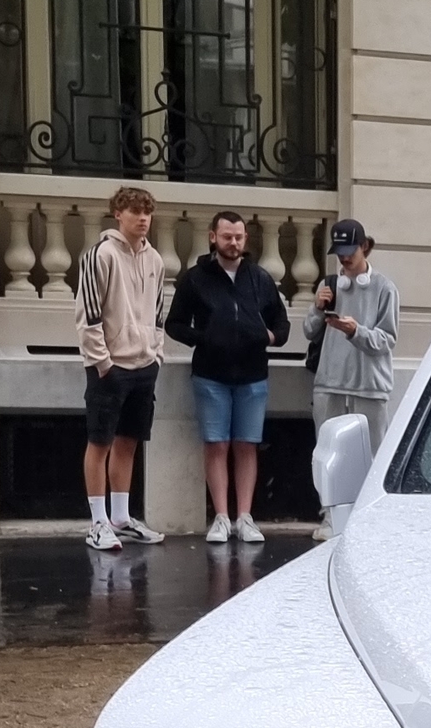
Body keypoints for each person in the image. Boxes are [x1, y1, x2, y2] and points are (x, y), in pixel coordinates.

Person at [163, 207, 290, 544]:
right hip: (210, 375)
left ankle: (245, 517)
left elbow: (282, 324)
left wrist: (269, 338)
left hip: (252, 375)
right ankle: (221, 516)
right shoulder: (194, 278)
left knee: (247, 445)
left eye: (238, 237)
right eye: (227, 237)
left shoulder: (260, 278)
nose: (233, 243)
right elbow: (173, 324)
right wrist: (204, 339)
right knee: (216, 444)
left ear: (245, 238)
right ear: (212, 237)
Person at [75, 184, 167, 550]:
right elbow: (88, 315)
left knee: (128, 442)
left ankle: (121, 518)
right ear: (118, 214)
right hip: (110, 367)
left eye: (147, 212)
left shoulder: (156, 260)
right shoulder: (100, 255)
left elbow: (159, 314)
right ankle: (97, 523)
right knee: (99, 442)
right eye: (134, 211)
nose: (142, 218)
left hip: (144, 365)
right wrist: (102, 363)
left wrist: (155, 355)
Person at [309, 218, 399, 479]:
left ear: (365, 247)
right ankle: (329, 516)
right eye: (340, 253)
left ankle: (364, 516)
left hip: (370, 387)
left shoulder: (384, 288)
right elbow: (308, 331)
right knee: (327, 457)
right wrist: (317, 307)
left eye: (350, 251)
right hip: (330, 384)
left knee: (371, 459)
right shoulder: (329, 284)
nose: (344, 259)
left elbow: (387, 340)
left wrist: (355, 332)